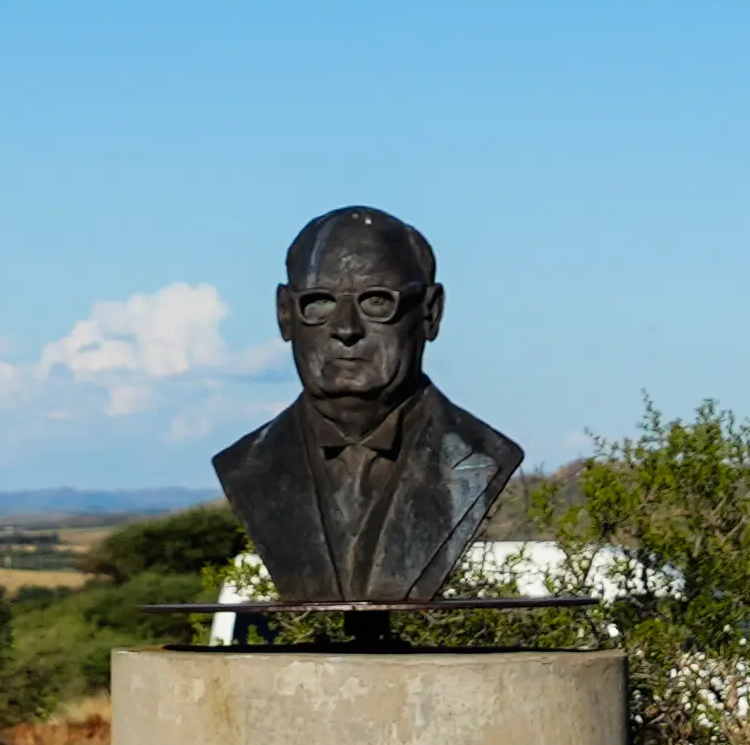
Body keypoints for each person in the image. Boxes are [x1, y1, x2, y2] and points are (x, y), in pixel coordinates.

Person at [211, 203, 523, 605]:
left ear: (430, 312)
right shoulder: (247, 465)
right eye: (319, 303)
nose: (345, 329)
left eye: (377, 301)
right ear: (286, 315)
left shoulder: (480, 457)